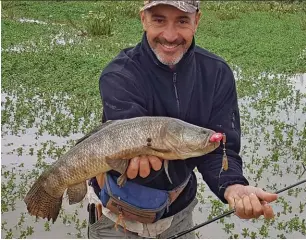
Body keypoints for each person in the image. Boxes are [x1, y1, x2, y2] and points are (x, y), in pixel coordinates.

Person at [87, 0, 278, 238]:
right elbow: (130, 142)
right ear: (143, 19)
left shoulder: (217, 74)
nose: (170, 35)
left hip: (178, 216)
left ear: (197, 21)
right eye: (159, 20)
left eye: (182, 21)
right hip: (115, 218)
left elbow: (219, 147)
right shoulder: (119, 75)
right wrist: (134, 159)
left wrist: (233, 185)